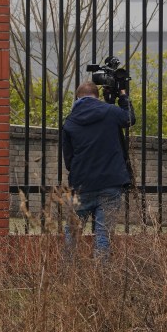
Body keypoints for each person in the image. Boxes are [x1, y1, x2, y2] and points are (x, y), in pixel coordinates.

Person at [61, 80, 135, 257]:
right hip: (110, 183)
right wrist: (123, 95)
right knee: (103, 235)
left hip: (82, 184)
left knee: (71, 233)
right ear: (97, 96)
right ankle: (102, 277)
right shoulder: (110, 112)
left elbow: (69, 160)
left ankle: (66, 275)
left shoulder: (70, 122)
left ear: (78, 97)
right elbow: (129, 118)